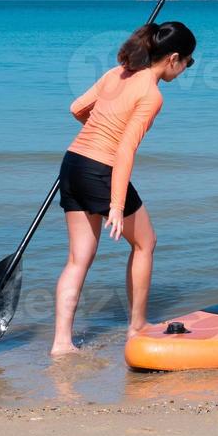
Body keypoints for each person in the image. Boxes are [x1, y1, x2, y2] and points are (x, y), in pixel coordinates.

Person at [51, 20, 196, 356]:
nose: (187, 68)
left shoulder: (115, 73)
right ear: (173, 58)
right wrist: (115, 206)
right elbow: (124, 151)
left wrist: (102, 123)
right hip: (102, 170)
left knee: (78, 259)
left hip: (73, 163)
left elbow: (76, 109)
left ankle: (61, 343)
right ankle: (137, 326)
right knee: (146, 242)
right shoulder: (151, 94)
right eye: (188, 61)